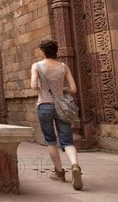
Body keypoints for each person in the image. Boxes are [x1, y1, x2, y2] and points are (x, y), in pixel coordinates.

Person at [31, 39, 83, 190]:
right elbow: (73, 89)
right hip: (61, 106)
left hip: (44, 105)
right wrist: (61, 89)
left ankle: (59, 172)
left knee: (50, 140)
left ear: (43, 51)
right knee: (67, 140)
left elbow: (33, 85)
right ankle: (75, 165)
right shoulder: (63, 66)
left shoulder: (37, 66)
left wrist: (42, 86)